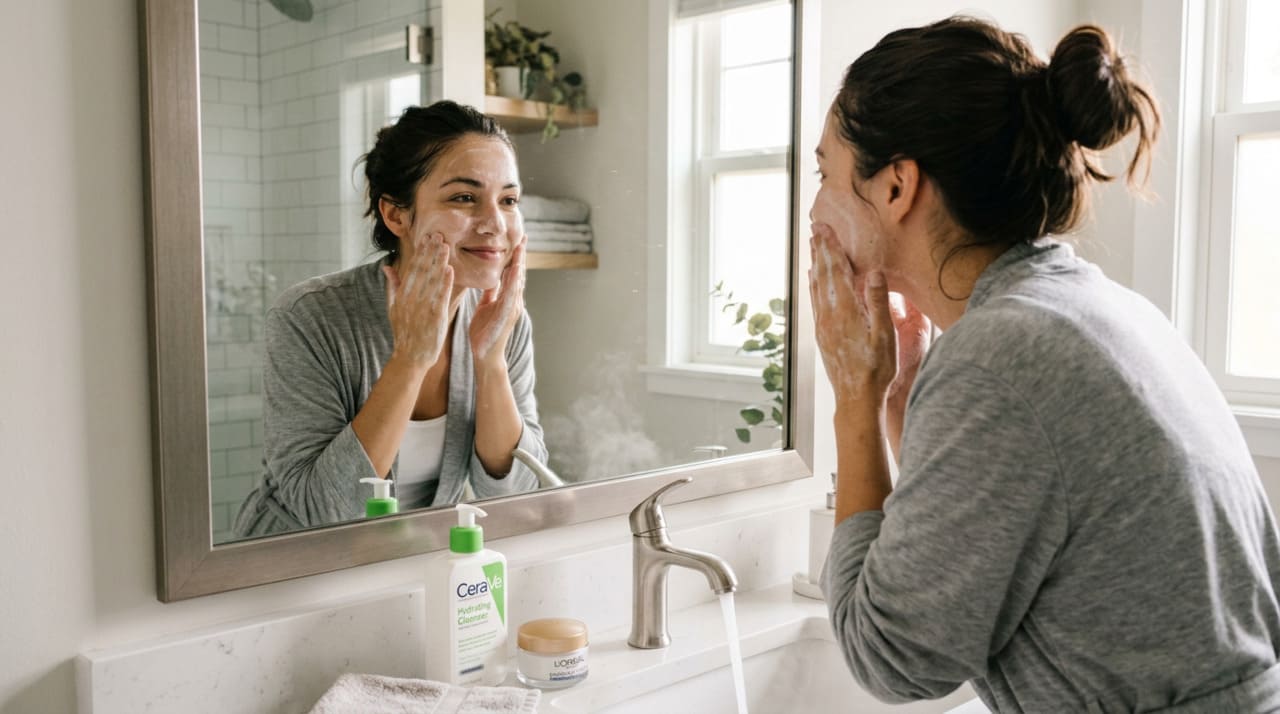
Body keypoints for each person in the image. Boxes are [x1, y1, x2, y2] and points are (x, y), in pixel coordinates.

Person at [810, 17, 1280, 712]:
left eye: (827, 173)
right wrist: (906, 422)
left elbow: (890, 659)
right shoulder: (1099, 310)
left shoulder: (997, 361)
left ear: (896, 186)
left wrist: (853, 400)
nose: (814, 209)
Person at [235, 100, 547, 537]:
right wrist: (411, 358)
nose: (495, 223)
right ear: (396, 214)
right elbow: (322, 511)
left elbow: (520, 496)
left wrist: (491, 361)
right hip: (290, 577)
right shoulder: (309, 319)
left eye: (508, 200)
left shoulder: (502, 321)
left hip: (414, 569)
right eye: (464, 197)